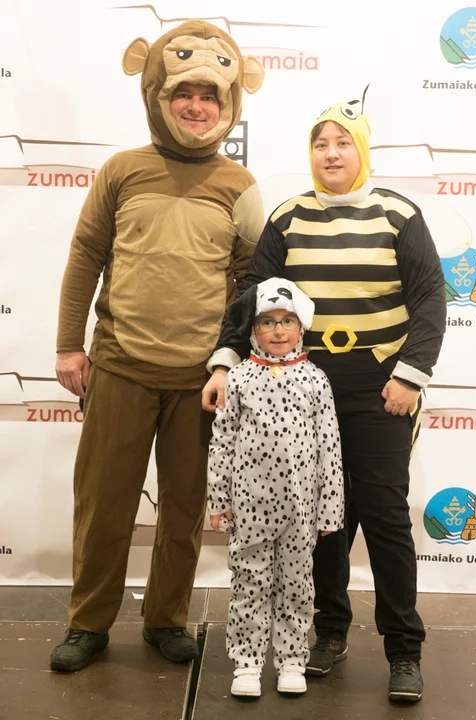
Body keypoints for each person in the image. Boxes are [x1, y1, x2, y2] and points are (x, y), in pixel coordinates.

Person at [202, 101, 447, 703]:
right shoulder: (287, 218)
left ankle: (404, 650)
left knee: (384, 515)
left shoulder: (399, 214)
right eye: (321, 144)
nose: (331, 154)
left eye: (342, 142)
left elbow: (429, 299)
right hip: (304, 380)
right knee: (321, 519)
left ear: (361, 150)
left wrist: (410, 376)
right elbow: (252, 297)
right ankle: (329, 632)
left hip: (381, 382)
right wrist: (226, 362)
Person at [49, 20, 264, 673]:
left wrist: (238, 362)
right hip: (119, 366)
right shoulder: (122, 171)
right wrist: (68, 345)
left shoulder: (240, 185)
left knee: (183, 509)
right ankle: (88, 623)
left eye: (209, 95)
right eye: (183, 94)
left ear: (228, 105)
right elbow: (86, 256)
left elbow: (251, 283)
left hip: (200, 379)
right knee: (104, 505)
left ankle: (167, 619)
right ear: (158, 97)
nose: (196, 106)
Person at [207, 277, 344, 698]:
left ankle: (291, 660)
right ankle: (247, 663)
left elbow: (330, 447)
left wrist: (330, 509)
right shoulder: (238, 379)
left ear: (301, 326)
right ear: (253, 328)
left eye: (287, 321)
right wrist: (218, 500)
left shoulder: (316, 379)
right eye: (267, 322)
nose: (278, 331)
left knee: (297, 586)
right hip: (249, 506)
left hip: (301, 509)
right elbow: (222, 441)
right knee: (249, 583)